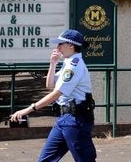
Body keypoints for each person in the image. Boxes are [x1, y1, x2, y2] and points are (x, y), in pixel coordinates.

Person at [10, 29, 97, 162]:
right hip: (64, 119)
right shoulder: (68, 63)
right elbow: (50, 85)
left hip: (76, 120)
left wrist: (28, 110)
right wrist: (53, 63)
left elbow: (56, 93)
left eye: (60, 44)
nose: (57, 48)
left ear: (71, 46)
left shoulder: (74, 66)